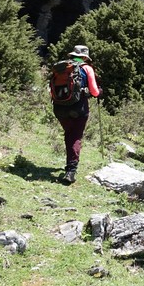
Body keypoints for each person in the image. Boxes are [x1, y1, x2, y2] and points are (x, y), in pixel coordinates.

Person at [52, 45, 101, 184]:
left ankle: (70, 165)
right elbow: (95, 92)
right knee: (75, 136)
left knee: (69, 133)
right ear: (85, 57)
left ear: (73, 55)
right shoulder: (86, 68)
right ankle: (71, 171)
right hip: (78, 108)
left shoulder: (61, 67)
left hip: (59, 107)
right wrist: (100, 92)